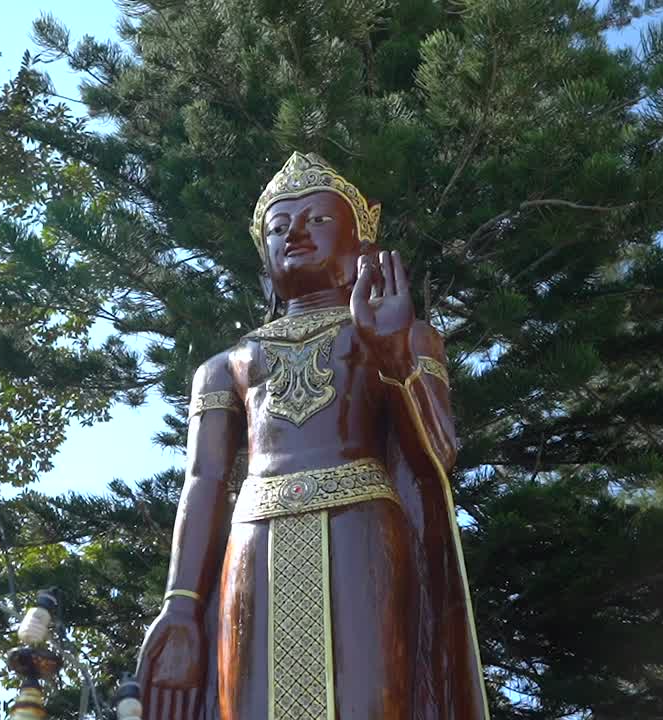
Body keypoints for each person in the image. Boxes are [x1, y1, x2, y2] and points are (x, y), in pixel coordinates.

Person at [135, 152, 490, 720]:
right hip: (254, 540)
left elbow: (437, 456)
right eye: (279, 227)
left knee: (369, 700)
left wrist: (396, 359)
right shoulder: (224, 366)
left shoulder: (403, 335)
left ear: (362, 249)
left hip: (363, 532)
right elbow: (203, 481)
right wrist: (180, 606)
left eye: (319, 220)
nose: (295, 232)